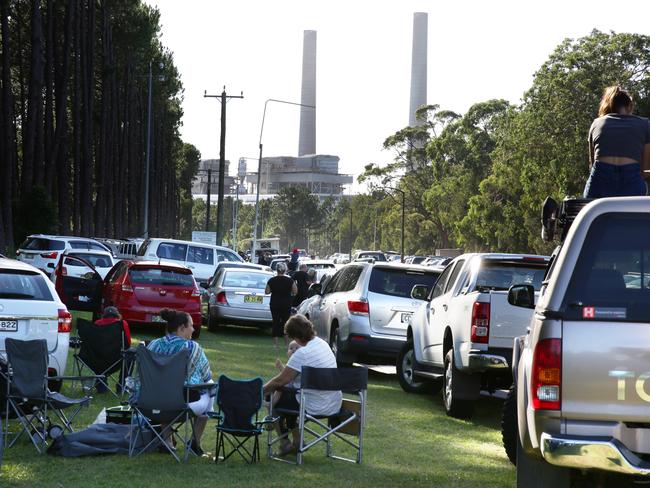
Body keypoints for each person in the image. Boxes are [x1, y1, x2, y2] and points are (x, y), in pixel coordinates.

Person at [263, 314, 342, 456]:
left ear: (295, 336)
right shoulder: (323, 344)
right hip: (333, 402)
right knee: (288, 398)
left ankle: (285, 443)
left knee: (272, 398)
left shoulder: (302, 353)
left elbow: (280, 381)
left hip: (312, 404)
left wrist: (257, 390)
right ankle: (297, 440)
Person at [146, 308, 213, 454]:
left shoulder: (152, 345)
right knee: (210, 387)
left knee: (165, 392)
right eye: (191, 325)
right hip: (182, 404)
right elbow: (206, 375)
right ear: (182, 328)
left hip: (149, 403)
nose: (193, 329)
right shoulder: (191, 347)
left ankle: (167, 441)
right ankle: (195, 442)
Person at [583, 86, 650, 198]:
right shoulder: (645, 124)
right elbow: (645, 169)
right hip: (631, 182)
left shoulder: (596, 123)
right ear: (629, 106)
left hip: (600, 181)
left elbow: (592, 163)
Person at [94, 306, 132, 393]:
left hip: (99, 359)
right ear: (117, 315)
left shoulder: (97, 323)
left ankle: (101, 385)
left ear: (104, 315)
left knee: (97, 353)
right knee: (131, 354)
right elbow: (128, 344)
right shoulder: (123, 324)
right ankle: (122, 386)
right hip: (117, 359)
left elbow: (94, 343)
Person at [265, 262, 297, 350]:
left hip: (274, 304)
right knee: (285, 323)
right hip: (286, 304)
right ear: (285, 270)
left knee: (275, 322)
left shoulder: (272, 280)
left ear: (277, 270)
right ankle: (286, 344)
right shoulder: (290, 280)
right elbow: (295, 291)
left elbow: (267, 292)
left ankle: (276, 345)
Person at [268, 340, 302, 408]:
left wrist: (281, 367)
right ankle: (271, 404)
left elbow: (288, 377)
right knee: (278, 384)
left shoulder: (298, 362)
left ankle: (272, 404)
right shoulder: (290, 363)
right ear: (287, 353)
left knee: (280, 385)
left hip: (297, 388)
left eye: (296, 348)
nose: (293, 350)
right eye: (291, 348)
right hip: (293, 385)